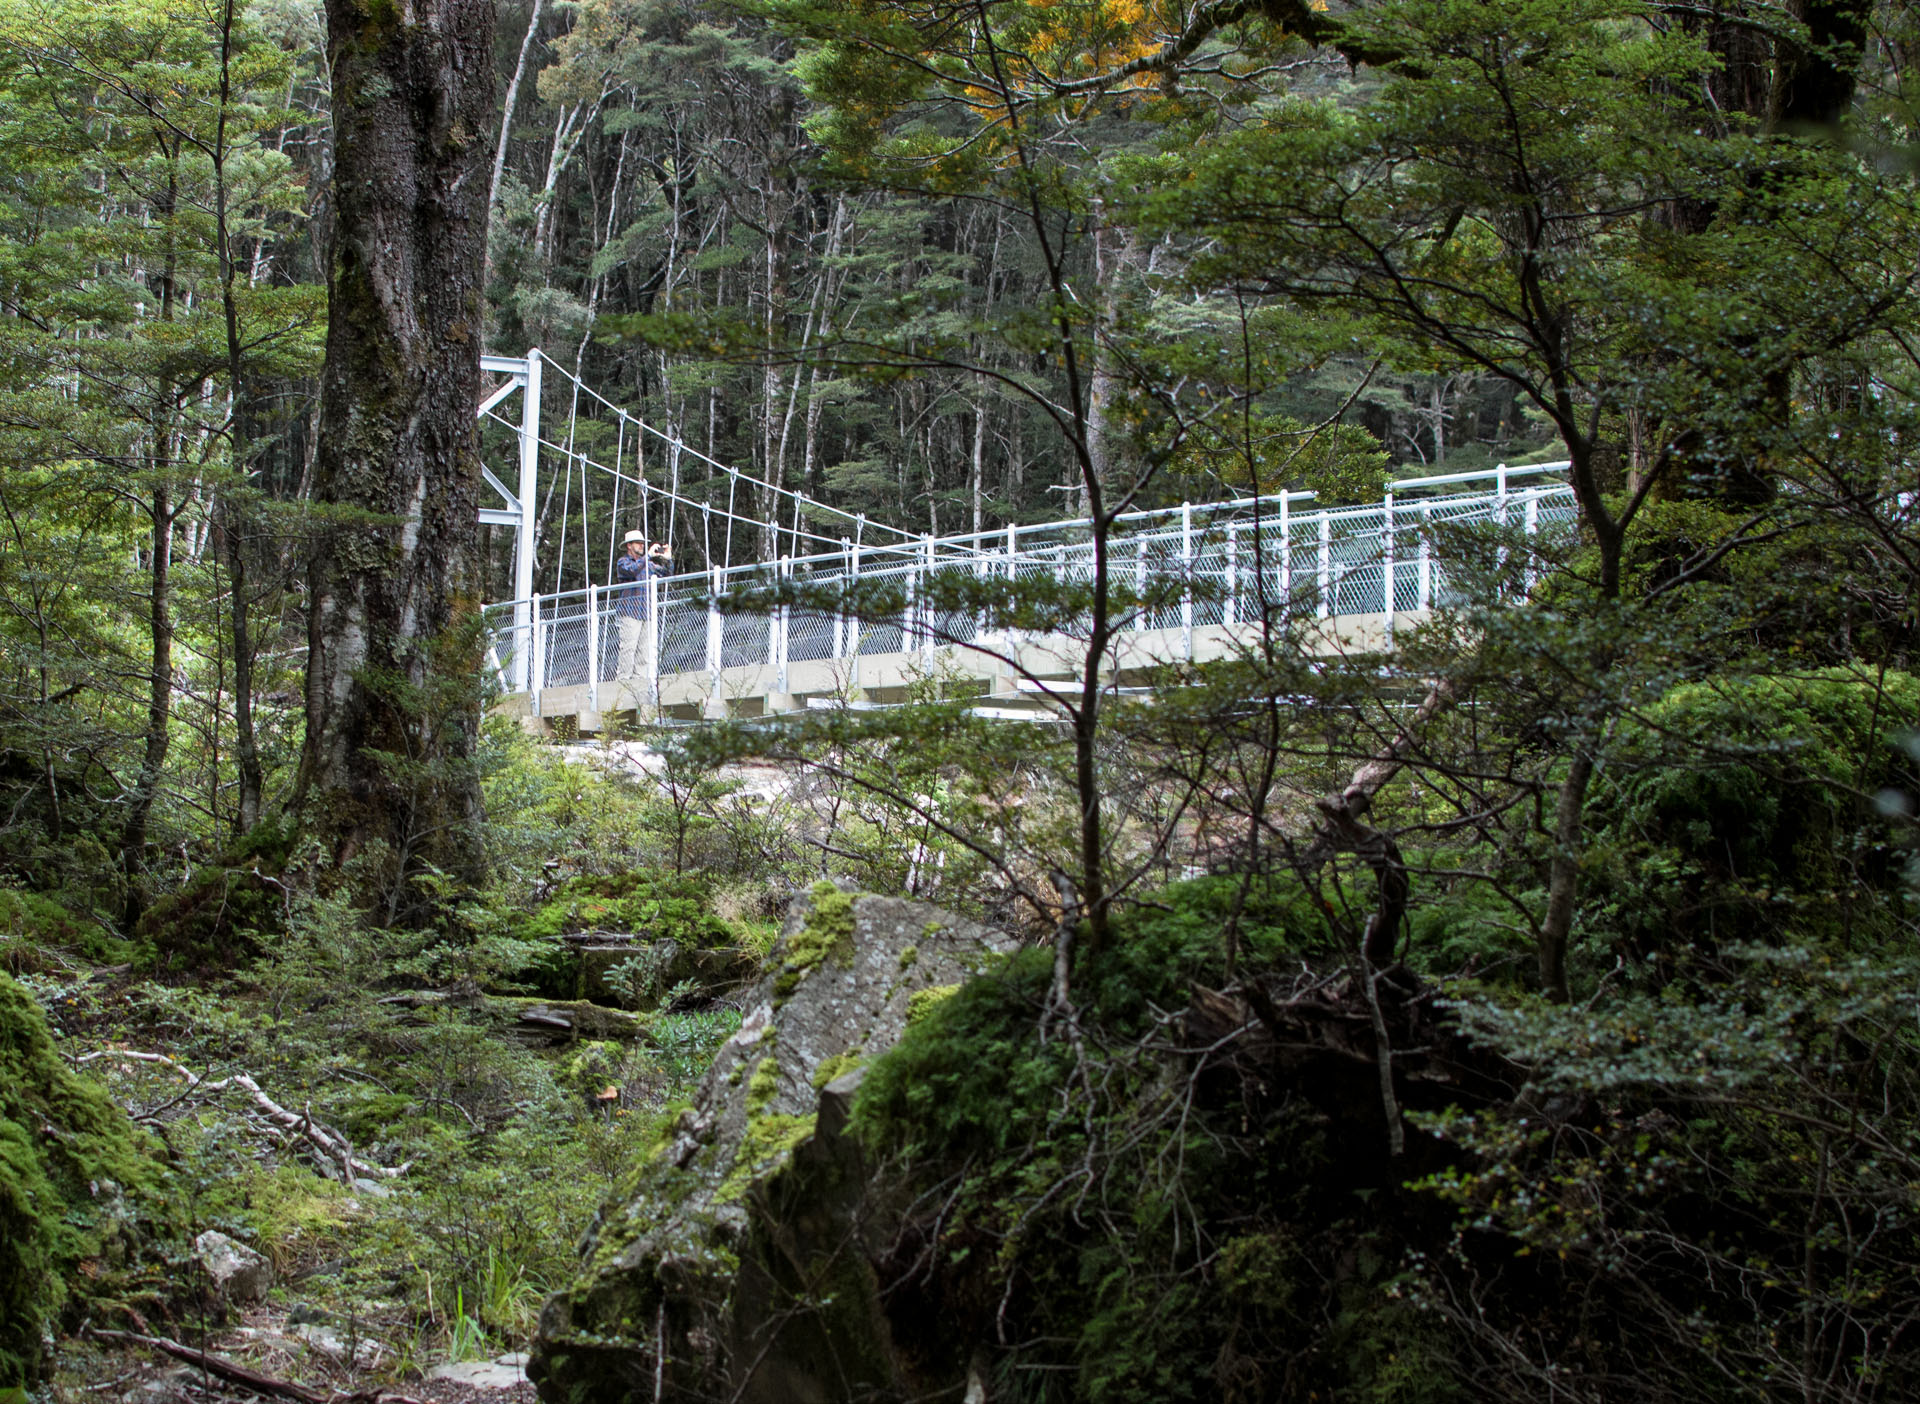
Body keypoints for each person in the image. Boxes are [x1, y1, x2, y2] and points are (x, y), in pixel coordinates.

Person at [614, 530, 673, 682]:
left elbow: (668, 575)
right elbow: (632, 570)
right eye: (638, 543)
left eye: (642, 543)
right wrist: (648, 556)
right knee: (628, 649)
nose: (641, 545)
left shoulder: (648, 565)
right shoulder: (623, 562)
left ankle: (639, 683)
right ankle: (623, 683)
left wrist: (668, 559)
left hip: (646, 612)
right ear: (629, 546)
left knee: (644, 652)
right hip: (630, 612)